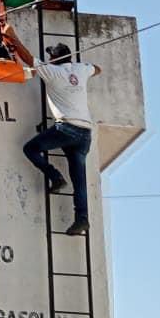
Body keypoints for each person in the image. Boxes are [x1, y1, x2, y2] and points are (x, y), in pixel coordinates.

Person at [22, 42, 100, 235]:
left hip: (67, 128)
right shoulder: (81, 69)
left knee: (30, 148)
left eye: (51, 57)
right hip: (85, 133)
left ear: (54, 59)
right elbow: (98, 69)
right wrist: (79, 73)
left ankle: (55, 177)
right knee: (79, 181)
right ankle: (82, 218)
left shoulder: (52, 71)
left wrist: (11, 36)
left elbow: (28, 58)